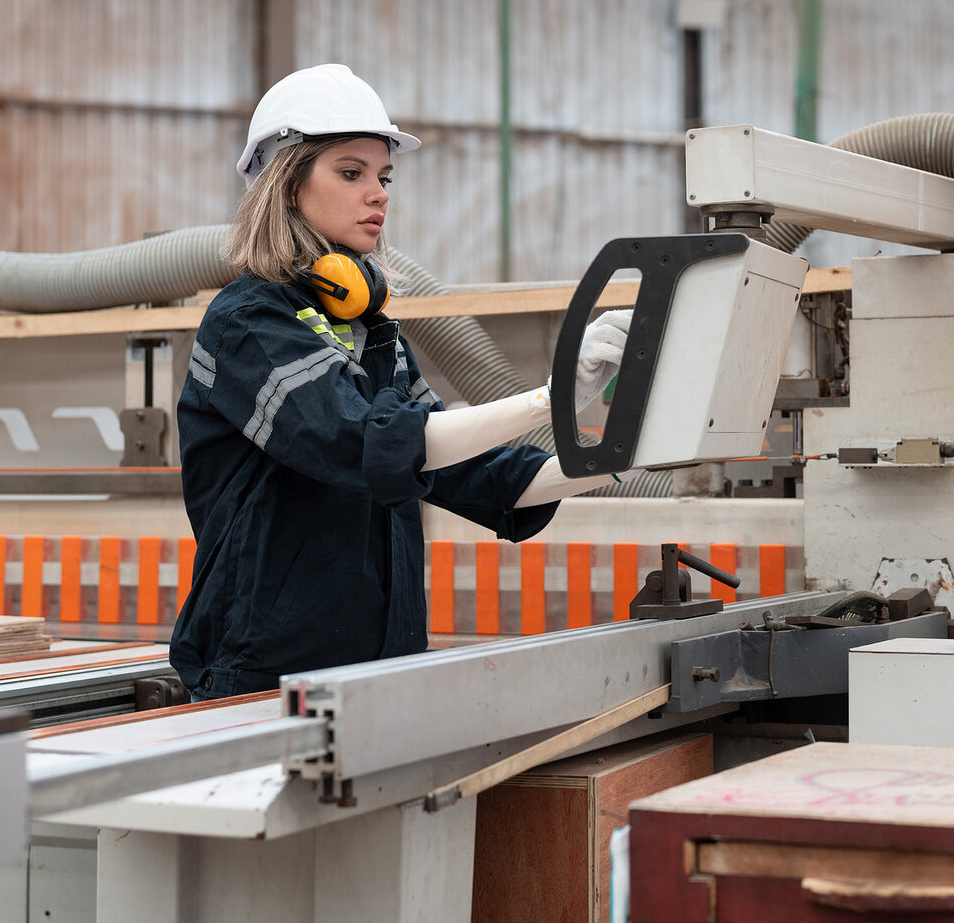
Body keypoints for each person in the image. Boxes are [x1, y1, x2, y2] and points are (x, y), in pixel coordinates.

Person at [170, 63, 633, 700]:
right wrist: (547, 398)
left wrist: (624, 449)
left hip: (382, 667)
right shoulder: (248, 322)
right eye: (351, 172)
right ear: (285, 186)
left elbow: (466, 469)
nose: (380, 193)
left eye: (383, 176)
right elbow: (358, 442)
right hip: (265, 675)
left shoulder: (373, 332)